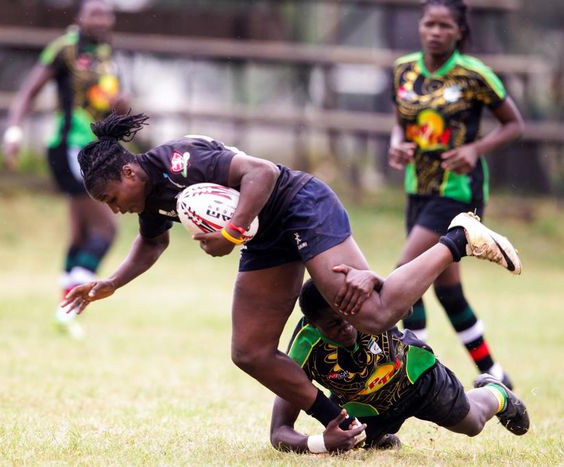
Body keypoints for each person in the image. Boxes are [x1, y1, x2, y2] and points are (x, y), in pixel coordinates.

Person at [62, 111, 522, 445]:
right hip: (267, 238)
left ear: (128, 171)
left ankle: (459, 237)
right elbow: (153, 243)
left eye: (110, 197)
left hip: (298, 203)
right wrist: (111, 284)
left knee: (372, 315)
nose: (113, 208)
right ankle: (341, 421)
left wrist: (231, 231)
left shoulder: (179, 160)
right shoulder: (150, 196)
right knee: (249, 351)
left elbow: (260, 172)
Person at [389, 0, 524, 387]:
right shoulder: (404, 69)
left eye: (445, 26)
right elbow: (400, 123)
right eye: (429, 24)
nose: (435, 32)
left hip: (457, 192)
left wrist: (474, 149)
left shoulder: (473, 75)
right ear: (419, 26)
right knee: (448, 291)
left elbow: (514, 125)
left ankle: (414, 375)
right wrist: (397, 144)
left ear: (460, 31)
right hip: (418, 188)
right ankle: (495, 374)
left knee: (405, 275)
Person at [269, 278, 529, 454]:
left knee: (472, 425)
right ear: (313, 324)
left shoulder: (363, 301)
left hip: (416, 376)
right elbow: (279, 431)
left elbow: (408, 294)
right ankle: (379, 435)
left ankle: (496, 393)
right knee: (355, 446)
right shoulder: (301, 353)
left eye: (346, 317)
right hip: (365, 406)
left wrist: (378, 281)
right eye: (334, 324)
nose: (347, 327)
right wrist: (321, 443)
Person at [2, 0, 129, 338]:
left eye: (107, 13)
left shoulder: (108, 57)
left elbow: (115, 106)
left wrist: (121, 107)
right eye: (94, 13)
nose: (101, 20)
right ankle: (73, 306)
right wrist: (13, 132)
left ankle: (64, 310)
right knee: (106, 231)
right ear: (80, 17)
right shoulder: (64, 50)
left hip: (93, 152)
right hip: (69, 149)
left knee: (81, 234)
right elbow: (28, 92)